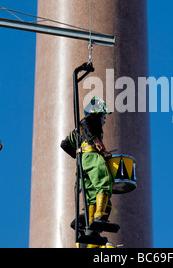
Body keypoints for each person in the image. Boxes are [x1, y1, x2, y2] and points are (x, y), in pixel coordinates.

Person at [61, 97, 116, 241]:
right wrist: (96, 142)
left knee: (91, 195)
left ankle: (90, 226)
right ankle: (98, 217)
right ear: (97, 112)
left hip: (82, 163)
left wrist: (79, 153)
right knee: (104, 182)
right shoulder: (91, 120)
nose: (104, 119)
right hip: (92, 157)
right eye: (104, 116)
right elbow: (86, 123)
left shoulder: (76, 131)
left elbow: (65, 144)